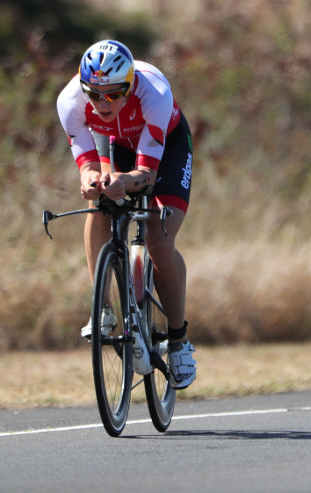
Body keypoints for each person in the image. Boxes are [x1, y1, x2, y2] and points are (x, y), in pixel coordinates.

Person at [56, 39, 196, 389]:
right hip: (116, 144)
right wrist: (90, 179)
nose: (104, 103)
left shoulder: (155, 94)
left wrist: (125, 181)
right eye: (95, 94)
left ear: (131, 85)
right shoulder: (70, 101)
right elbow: (86, 162)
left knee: (158, 238)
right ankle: (102, 307)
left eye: (114, 94)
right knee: (99, 204)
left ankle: (178, 341)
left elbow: (146, 175)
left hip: (166, 148)